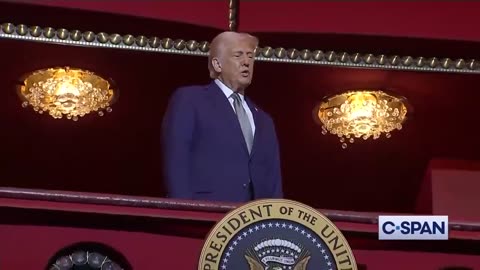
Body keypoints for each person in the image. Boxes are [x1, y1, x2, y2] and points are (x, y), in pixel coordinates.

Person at [161, 31, 283, 202]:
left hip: (253, 222)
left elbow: (274, 182)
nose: (246, 62)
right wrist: (184, 211)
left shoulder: (264, 119)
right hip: (207, 213)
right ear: (217, 64)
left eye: (250, 56)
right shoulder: (190, 100)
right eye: (238, 55)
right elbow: (177, 161)